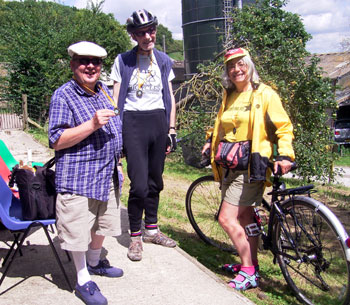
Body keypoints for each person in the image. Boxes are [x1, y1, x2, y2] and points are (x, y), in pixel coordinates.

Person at [202, 48, 295, 290]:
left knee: (226, 218)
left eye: (241, 64)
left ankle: (248, 272)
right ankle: (251, 263)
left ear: (249, 66)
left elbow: (283, 127)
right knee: (244, 217)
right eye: (231, 66)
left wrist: (285, 154)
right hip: (229, 164)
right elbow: (225, 124)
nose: (236, 70)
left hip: (251, 165)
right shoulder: (230, 94)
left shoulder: (264, 94)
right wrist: (210, 139)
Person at [48, 41, 124, 305]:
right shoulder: (64, 95)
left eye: (96, 61)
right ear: (73, 65)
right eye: (83, 61)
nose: (90, 66)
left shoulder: (103, 90)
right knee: (78, 230)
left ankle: (94, 262)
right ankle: (82, 279)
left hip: (107, 175)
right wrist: (91, 124)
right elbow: (56, 139)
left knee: (103, 225)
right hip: (79, 177)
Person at [110, 9, 177, 262]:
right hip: (134, 124)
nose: (147, 36)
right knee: (138, 185)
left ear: (155, 31)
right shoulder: (123, 61)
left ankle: (152, 229)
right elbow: (115, 98)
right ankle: (135, 236)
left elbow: (169, 97)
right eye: (141, 33)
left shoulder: (164, 60)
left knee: (154, 182)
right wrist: (117, 133)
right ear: (134, 35)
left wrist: (171, 130)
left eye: (150, 31)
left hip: (158, 122)